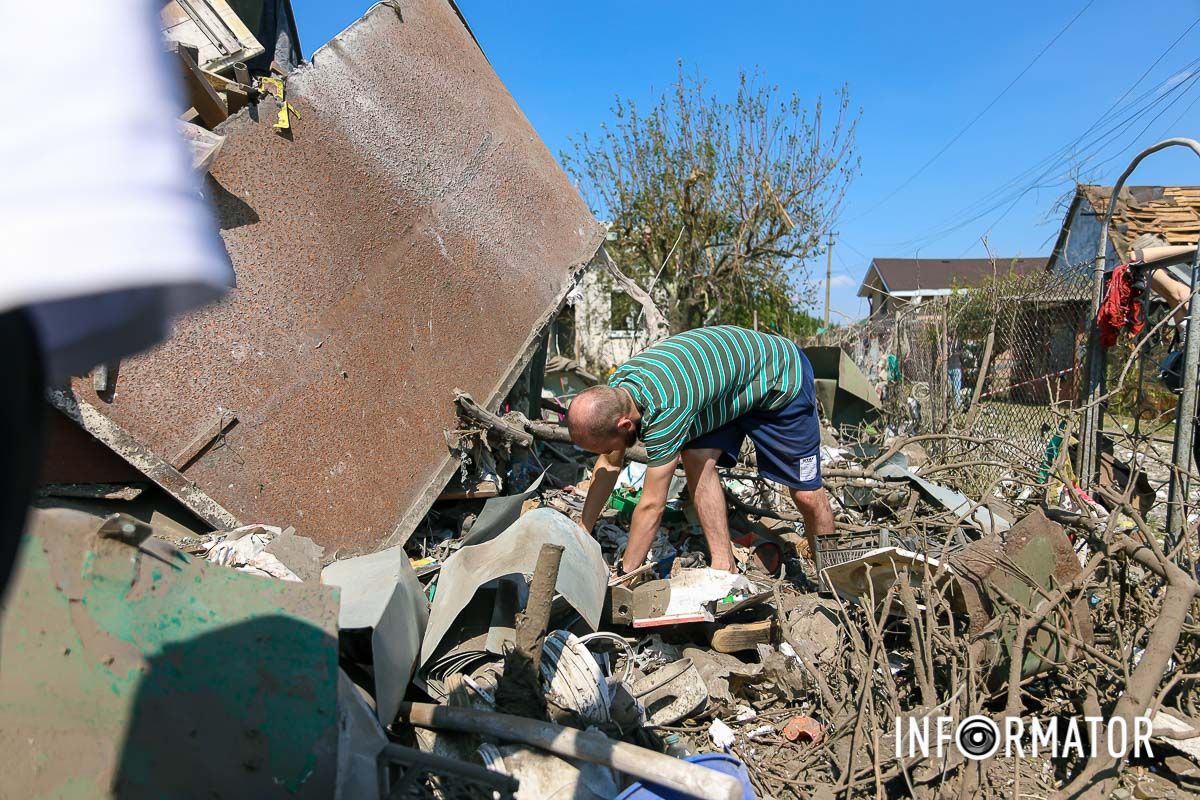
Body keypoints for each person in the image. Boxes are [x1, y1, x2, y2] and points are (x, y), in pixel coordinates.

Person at [566, 325, 835, 575]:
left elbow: (652, 506)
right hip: (729, 388)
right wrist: (583, 531)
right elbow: (609, 464)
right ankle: (723, 566)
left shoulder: (665, 410)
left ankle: (832, 575)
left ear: (624, 425)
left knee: (806, 495)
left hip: (780, 377)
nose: (607, 452)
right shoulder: (617, 391)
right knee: (696, 458)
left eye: (606, 446)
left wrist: (625, 574)